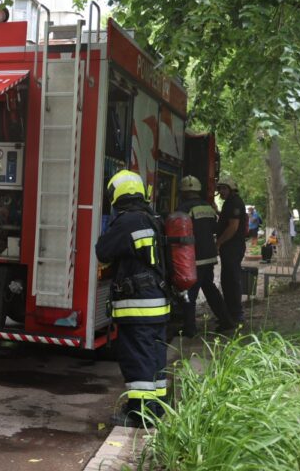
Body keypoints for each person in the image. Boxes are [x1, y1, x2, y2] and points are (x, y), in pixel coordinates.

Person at [96, 170, 168, 428]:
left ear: (115, 195)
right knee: (154, 359)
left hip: (138, 306)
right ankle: (156, 409)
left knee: (137, 360)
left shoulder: (127, 222)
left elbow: (102, 252)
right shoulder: (153, 219)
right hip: (157, 303)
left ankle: (140, 416)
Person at [176, 176, 235, 335]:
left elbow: (177, 230)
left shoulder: (184, 208)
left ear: (185, 192)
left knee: (190, 293)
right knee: (210, 289)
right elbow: (215, 228)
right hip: (209, 256)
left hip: (193, 258)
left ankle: (189, 329)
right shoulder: (208, 207)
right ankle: (226, 321)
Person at [215, 176, 247, 325]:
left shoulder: (235, 202)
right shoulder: (229, 202)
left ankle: (236, 313)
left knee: (232, 280)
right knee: (227, 279)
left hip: (233, 247)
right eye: (220, 188)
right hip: (230, 247)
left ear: (231, 189)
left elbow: (233, 227)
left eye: (224, 188)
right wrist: (217, 212)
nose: (221, 191)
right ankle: (229, 312)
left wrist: (219, 242)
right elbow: (227, 220)